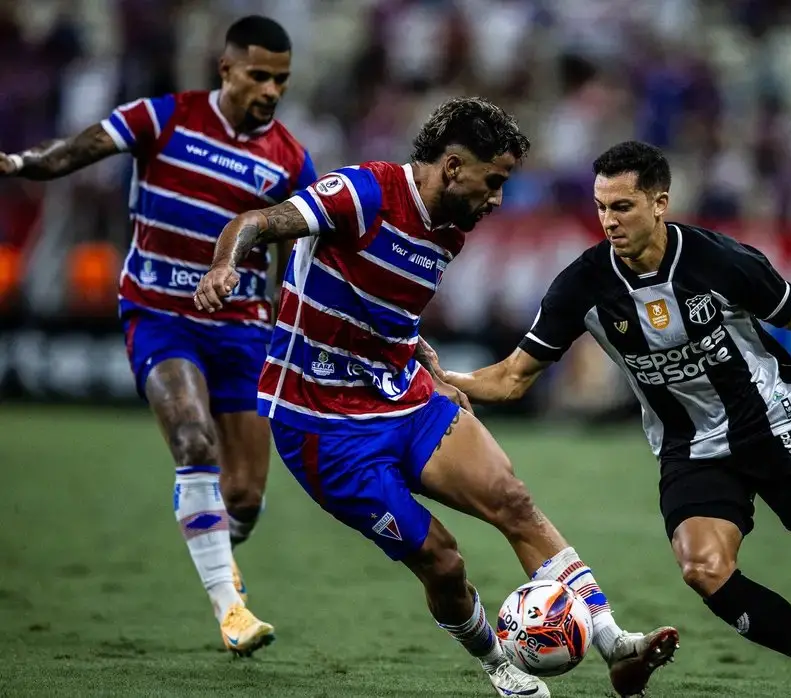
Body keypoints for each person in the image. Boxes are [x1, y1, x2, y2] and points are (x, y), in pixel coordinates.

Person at [442, 140, 791, 698]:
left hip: (770, 425)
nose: (609, 221)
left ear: (660, 203)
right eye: (602, 207)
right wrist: (446, 381)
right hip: (688, 445)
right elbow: (512, 377)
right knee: (704, 569)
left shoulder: (719, 260)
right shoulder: (583, 285)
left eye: (623, 207)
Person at [193, 99, 676, 698]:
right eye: (493, 181)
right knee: (443, 561)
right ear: (452, 168)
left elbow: (385, 306)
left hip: (401, 394)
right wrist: (223, 268)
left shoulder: (451, 228)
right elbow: (257, 223)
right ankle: (500, 664)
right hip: (323, 427)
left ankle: (613, 645)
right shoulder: (361, 193)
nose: (498, 199)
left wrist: (426, 363)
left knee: (513, 499)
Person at [0, 16, 316, 655]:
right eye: (259, 75)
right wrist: (23, 163)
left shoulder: (290, 158)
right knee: (193, 440)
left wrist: (291, 330)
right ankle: (231, 611)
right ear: (225, 69)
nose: (271, 90)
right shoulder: (163, 117)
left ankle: (214, 546)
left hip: (242, 331)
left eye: (281, 79)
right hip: (160, 313)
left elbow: (295, 262)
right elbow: (79, 149)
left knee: (247, 498)